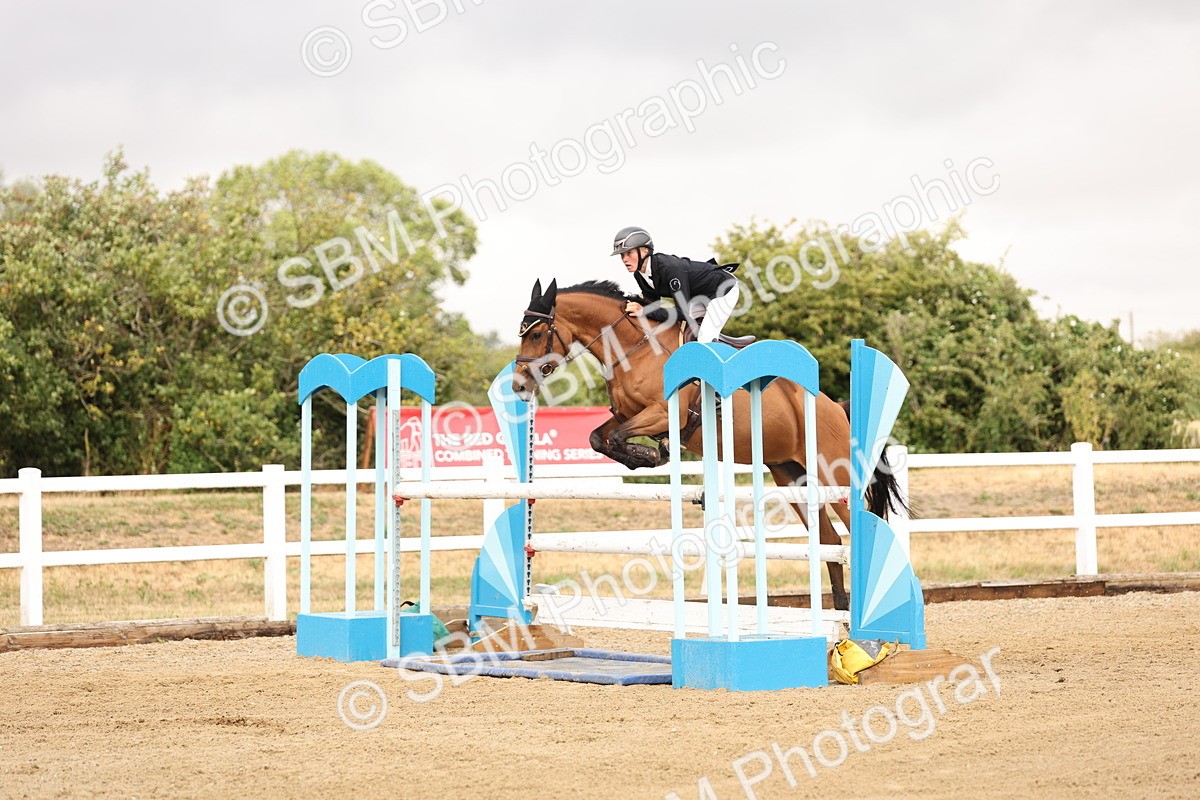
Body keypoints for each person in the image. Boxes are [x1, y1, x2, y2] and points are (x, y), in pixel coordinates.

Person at [610, 226, 741, 342]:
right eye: (622, 255)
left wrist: (643, 310)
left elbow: (682, 313)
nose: (624, 259)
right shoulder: (639, 275)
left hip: (723, 288)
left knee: (705, 338)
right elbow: (653, 306)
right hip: (699, 296)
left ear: (645, 250)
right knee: (675, 329)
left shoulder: (670, 268)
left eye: (629, 253)